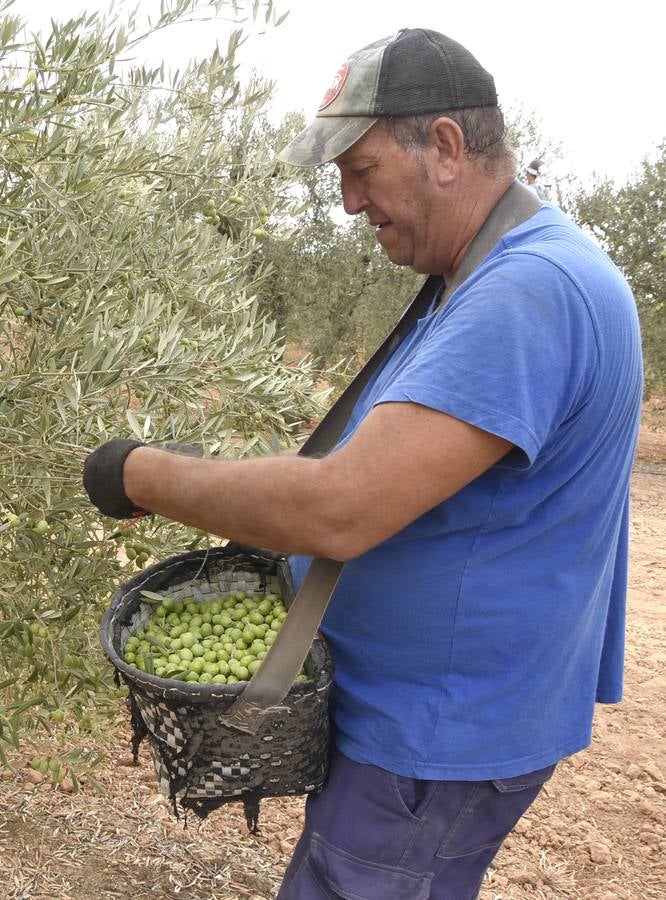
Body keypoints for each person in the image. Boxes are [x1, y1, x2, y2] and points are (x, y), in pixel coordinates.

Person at [83, 28, 643, 900]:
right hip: (421, 727)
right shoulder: (485, 275)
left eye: (361, 167)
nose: (348, 201)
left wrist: (141, 474)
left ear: (446, 148)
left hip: (438, 738)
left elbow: (340, 508)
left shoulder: (531, 290)